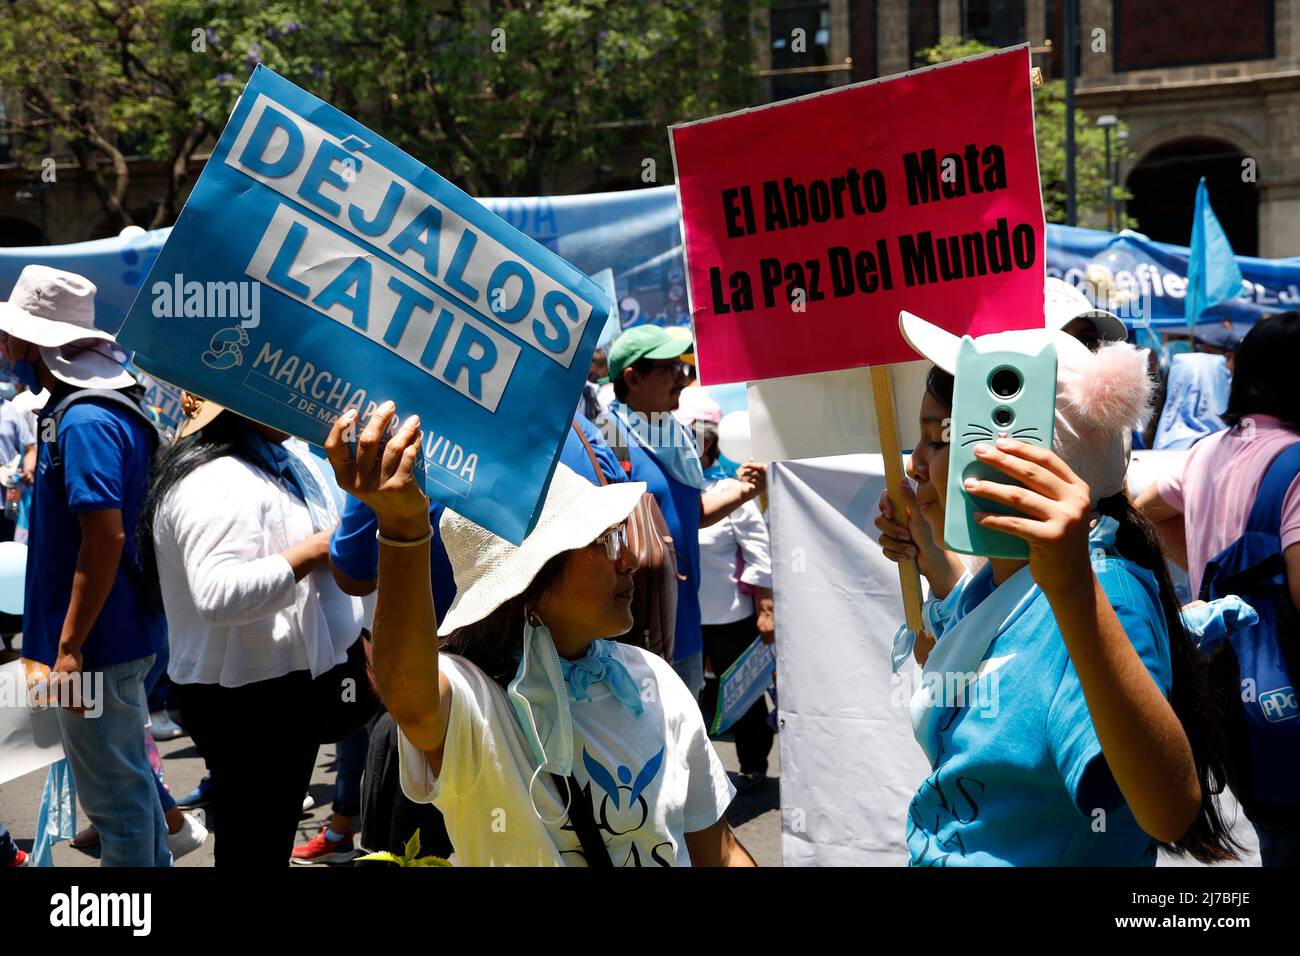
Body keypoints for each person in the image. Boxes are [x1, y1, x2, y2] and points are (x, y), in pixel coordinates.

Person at [873, 309, 1238, 866]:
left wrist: (1073, 591)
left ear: (1026, 455)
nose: (916, 464)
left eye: (941, 438)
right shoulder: (1007, 577)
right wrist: (934, 562)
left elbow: (1167, 811)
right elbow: (978, 674)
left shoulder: (1099, 591)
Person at [323, 402, 753, 865]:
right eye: (605, 542)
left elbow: (721, 852)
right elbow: (408, 694)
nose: (629, 560)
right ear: (531, 585)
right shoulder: (476, 703)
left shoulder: (654, 679)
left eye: (619, 535)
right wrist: (403, 528)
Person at [138, 393, 368, 866]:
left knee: (263, 835)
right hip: (249, 699)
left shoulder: (284, 459)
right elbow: (219, 593)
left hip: (276, 687)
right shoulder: (217, 478)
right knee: (254, 842)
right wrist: (316, 550)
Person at [0, 265, 170, 868]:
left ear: (38, 341)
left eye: (11, 334)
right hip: (109, 640)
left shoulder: (86, 418)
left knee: (117, 807)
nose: (4, 345)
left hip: (98, 648)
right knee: (131, 798)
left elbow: (104, 539)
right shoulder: (89, 409)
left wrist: (69, 648)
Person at [1135, 311, 1300, 864]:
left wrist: (1206, 576)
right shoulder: (1296, 463)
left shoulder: (1206, 451)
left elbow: (1144, 514)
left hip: (1228, 696)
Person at [601, 325, 767, 701]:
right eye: (670, 369)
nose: (683, 377)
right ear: (634, 377)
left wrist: (745, 490)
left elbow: (693, 514)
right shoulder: (608, 438)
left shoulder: (674, 435)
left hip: (686, 626)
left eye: (683, 367)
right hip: (637, 634)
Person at [690, 407, 777, 793]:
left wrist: (766, 609)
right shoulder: (677, 489)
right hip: (688, 618)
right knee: (695, 696)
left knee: (744, 696)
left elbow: (759, 552)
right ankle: (699, 775)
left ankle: (754, 766)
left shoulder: (728, 489)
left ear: (706, 442)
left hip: (732, 619)